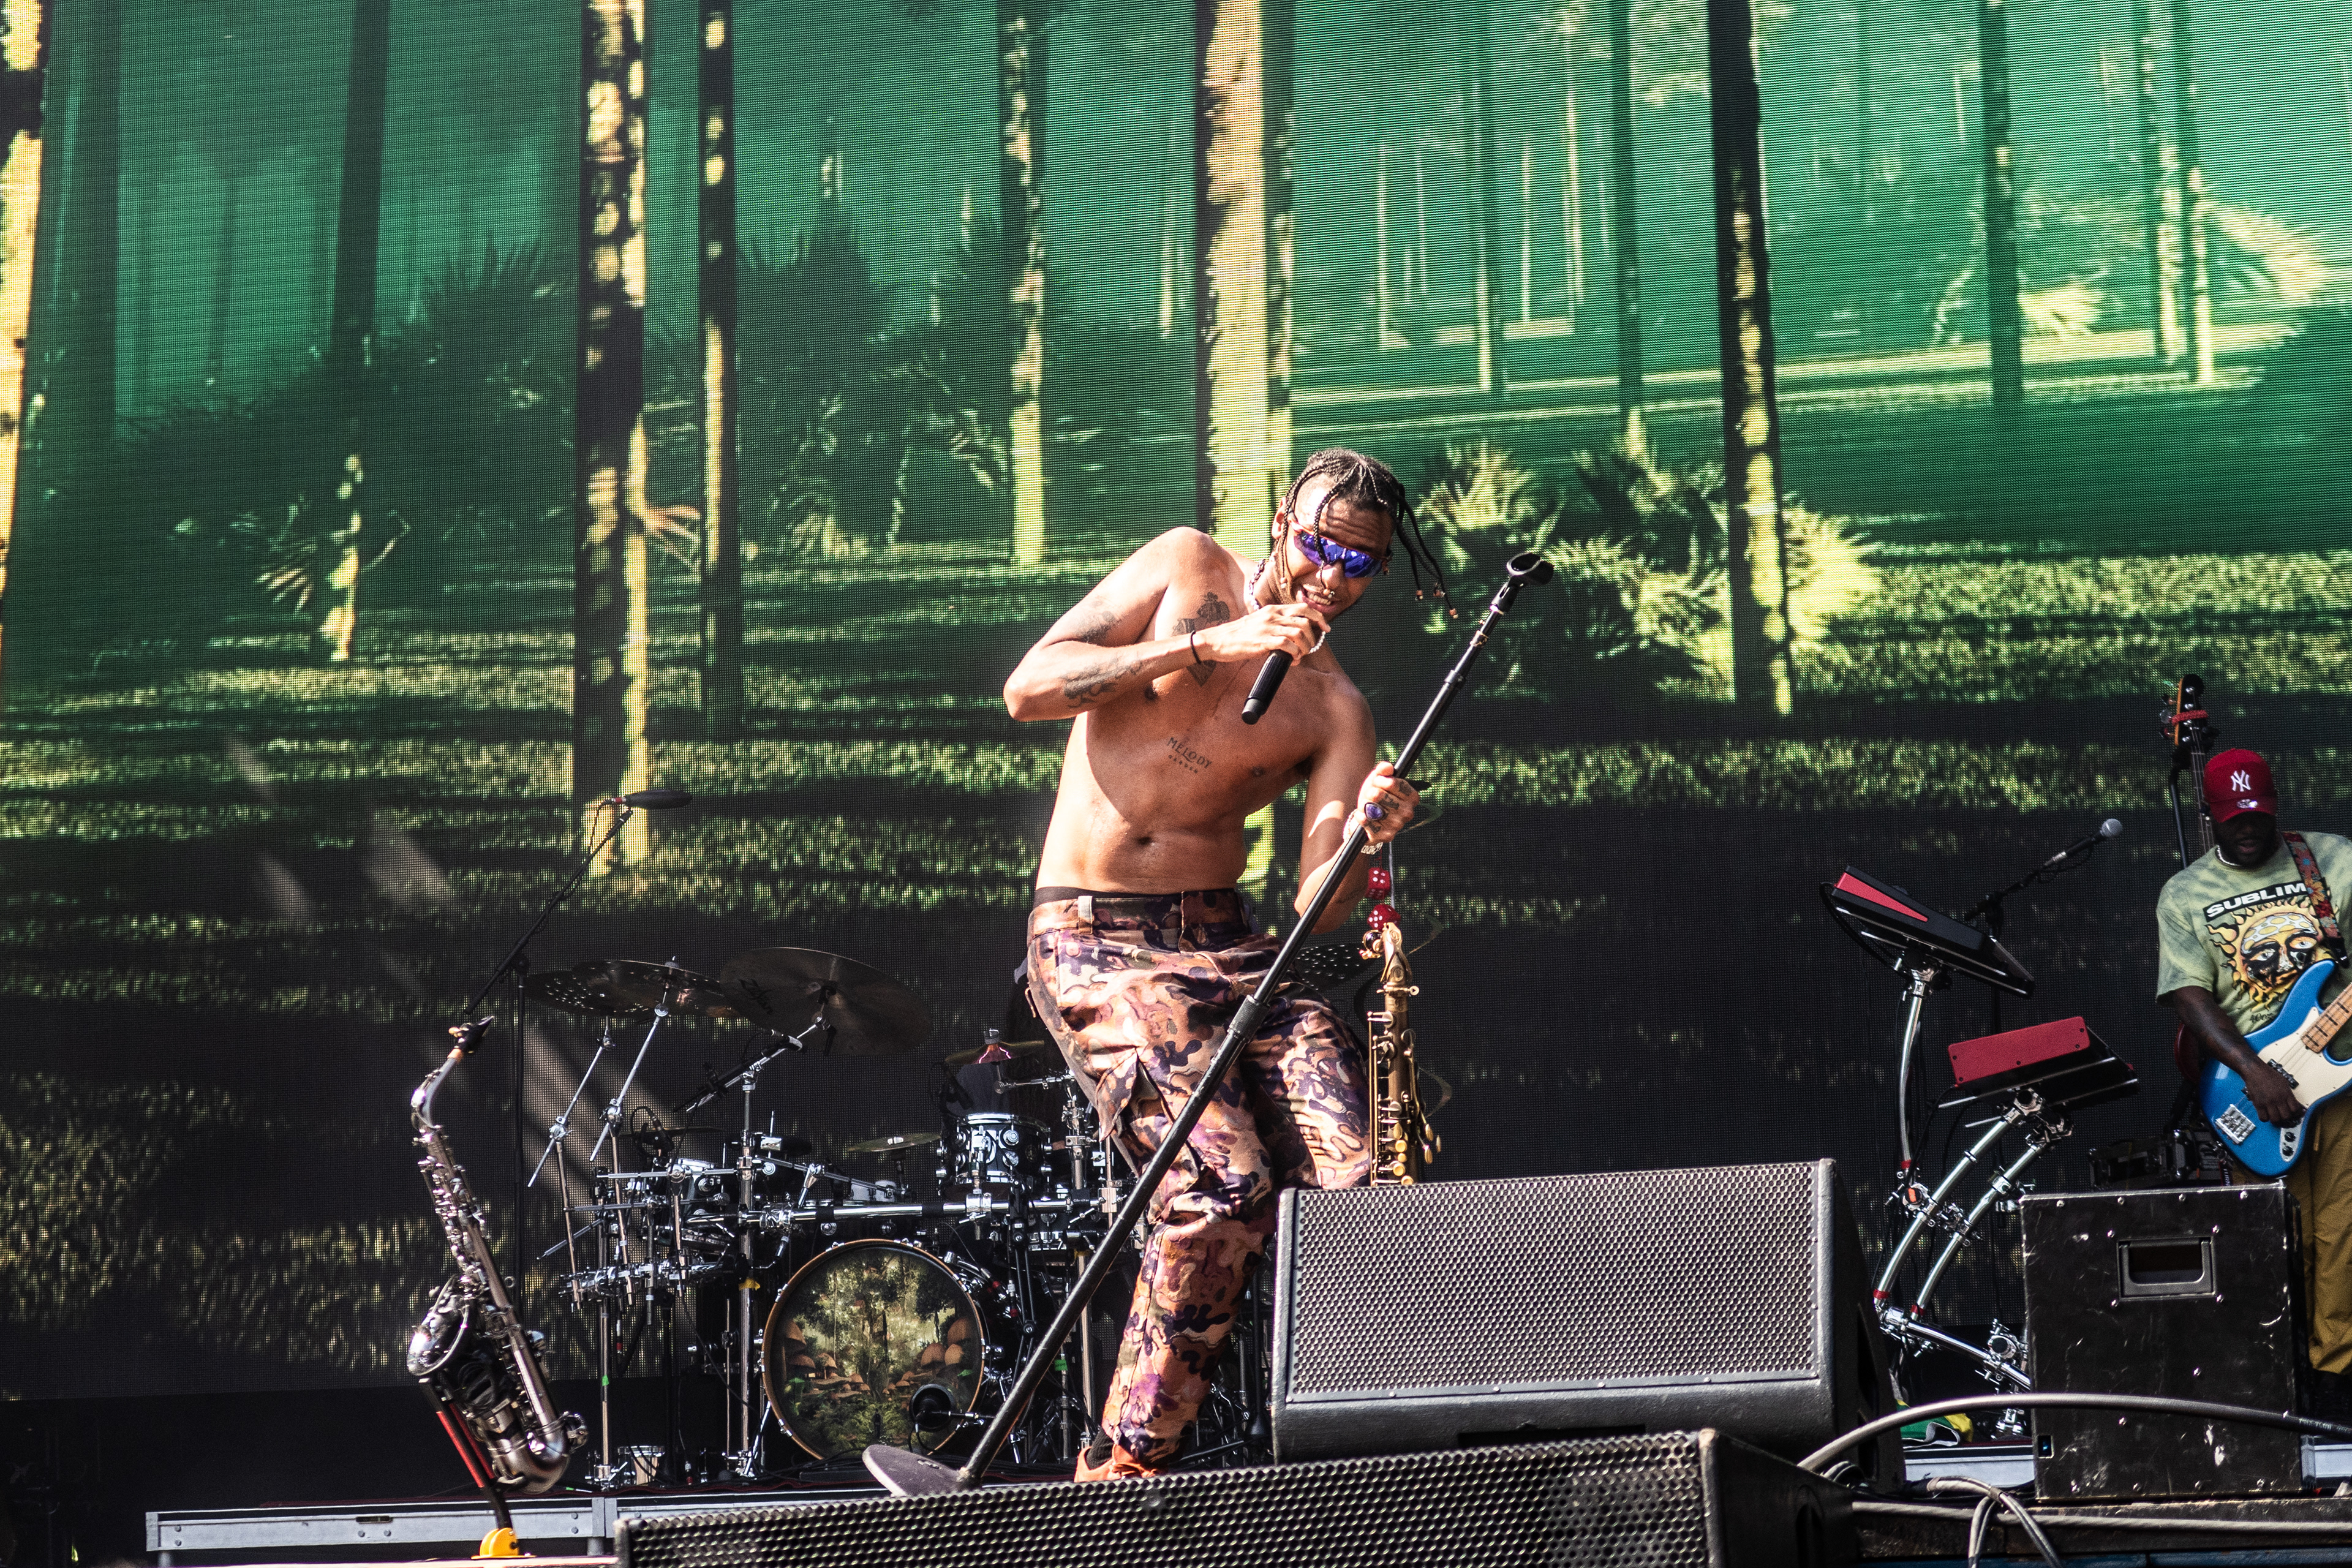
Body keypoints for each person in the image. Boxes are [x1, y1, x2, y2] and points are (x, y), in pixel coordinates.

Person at [1001, 447, 1443, 1479]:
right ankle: (1126, 1466)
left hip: (1232, 942)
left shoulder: (1336, 707)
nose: (1334, 573)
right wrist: (1209, 647)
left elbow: (1319, 907)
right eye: (1323, 544)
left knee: (1364, 1183)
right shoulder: (1186, 566)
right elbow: (1031, 688)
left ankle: (1360, 1446)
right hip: (1097, 935)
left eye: (1363, 564)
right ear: (1283, 518)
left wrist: (1367, 833)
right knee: (1220, 1185)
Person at [2158, 746, 2352, 1397]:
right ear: (2210, 815)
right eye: (2235, 816)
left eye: (2259, 813)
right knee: (2279, 1245)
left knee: (2345, 1241)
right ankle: (2279, 1386)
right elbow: (2191, 995)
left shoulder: (2333, 859)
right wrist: (2254, 1070)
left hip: (2344, 1081)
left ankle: (2340, 1390)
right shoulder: (2185, 894)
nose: (2249, 826)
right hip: (2254, 1092)